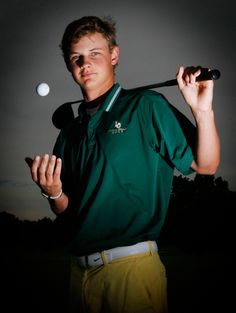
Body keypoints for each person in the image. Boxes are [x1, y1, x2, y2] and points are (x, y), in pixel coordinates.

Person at [28, 16, 220, 313]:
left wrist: (202, 110)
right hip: (79, 276)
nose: (85, 64)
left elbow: (205, 165)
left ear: (114, 55)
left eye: (95, 54)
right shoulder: (69, 134)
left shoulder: (146, 106)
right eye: (76, 58)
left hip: (131, 268)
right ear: (69, 65)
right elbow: (67, 213)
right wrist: (53, 192)